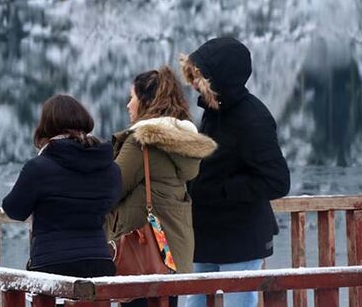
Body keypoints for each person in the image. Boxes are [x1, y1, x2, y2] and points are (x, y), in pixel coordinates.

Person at [180, 37, 291, 307]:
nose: (194, 83)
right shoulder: (213, 110)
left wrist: (221, 191)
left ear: (219, 79)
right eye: (192, 76)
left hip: (241, 235)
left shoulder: (252, 118)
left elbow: (277, 181)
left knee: (239, 304)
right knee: (194, 303)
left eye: (199, 77)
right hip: (207, 231)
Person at [107, 67, 217, 307]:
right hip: (171, 253)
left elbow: (112, 188)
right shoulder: (181, 142)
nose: (128, 105)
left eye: (132, 98)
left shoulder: (141, 142)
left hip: (141, 250)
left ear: (146, 101)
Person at [2, 94, 121, 278]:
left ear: (46, 126)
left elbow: (14, 209)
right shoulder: (111, 169)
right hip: (99, 262)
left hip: (52, 265)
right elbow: (112, 202)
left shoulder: (38, 167)